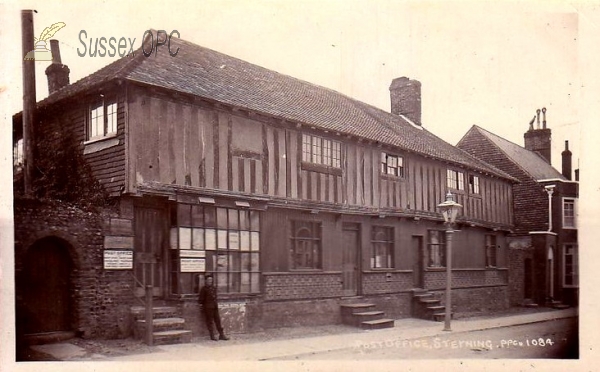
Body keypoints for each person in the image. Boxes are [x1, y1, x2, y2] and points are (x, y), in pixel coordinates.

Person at [198, 274, 229, 341]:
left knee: (218, 321)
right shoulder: (204, 289)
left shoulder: (213, 288)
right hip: (208, 308)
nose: (210, 281)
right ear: (205, 281)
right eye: (208, 280)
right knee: (210, 322)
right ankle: (212, 336)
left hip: (215, 307)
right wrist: (202, 306)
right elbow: (201, 300)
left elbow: (215, 297)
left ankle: (221, 335)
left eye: (211, 280)